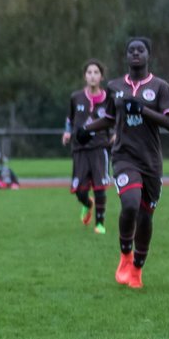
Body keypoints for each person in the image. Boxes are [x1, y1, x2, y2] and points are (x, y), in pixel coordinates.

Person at [78, 37, 169, 289]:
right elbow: (110, 118)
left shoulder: (161, 87)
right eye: (131, 50)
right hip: (124, 157)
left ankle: (137, 268)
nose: (135, 53)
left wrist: (142, 109)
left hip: (151, 162)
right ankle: (125, 255)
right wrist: (87, 129)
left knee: (145, 217)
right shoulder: (115, 87)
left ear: (148, 55)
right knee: (130, 205)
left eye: (140, 50)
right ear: (126, 56)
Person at [62, 60, 111, 234]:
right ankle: (87, 204)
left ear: (101, 77)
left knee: (100, 187)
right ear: (85, 76)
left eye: (96, 72)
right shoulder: (76, 97)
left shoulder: (108, 99)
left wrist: (114, 136)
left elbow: (115, 121)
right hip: (80, 149)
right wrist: (67, 132)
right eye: (89, 72)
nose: (92, 75)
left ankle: (100, 223)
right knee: (80, 191)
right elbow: (70, 119)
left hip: (99, 148)